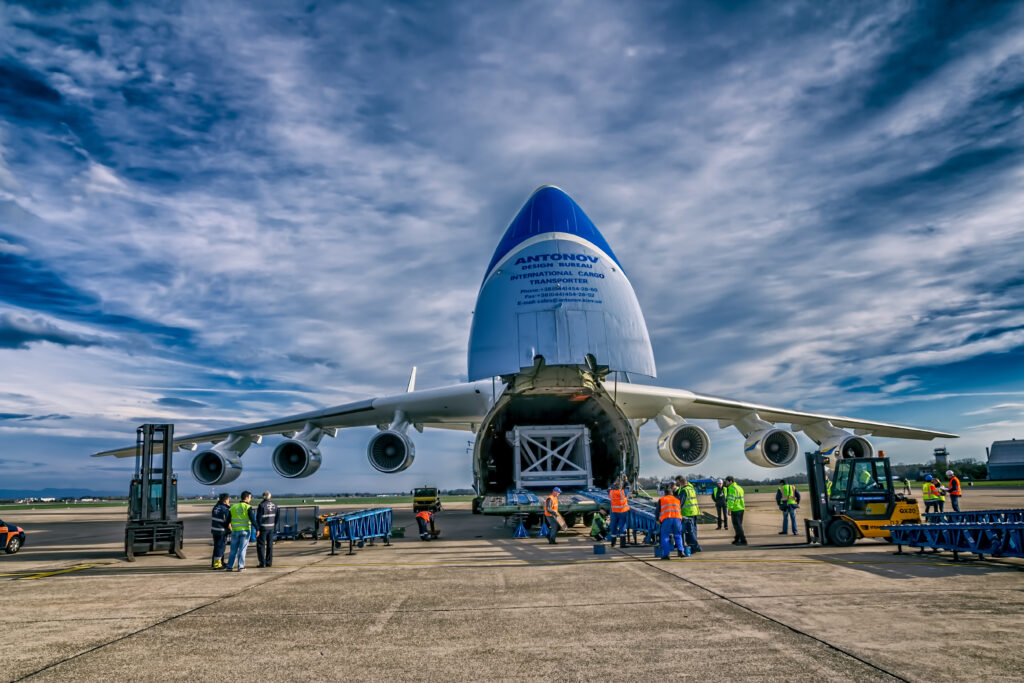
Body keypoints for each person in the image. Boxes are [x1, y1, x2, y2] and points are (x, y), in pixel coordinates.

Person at [225, 490, 257, 571]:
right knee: (242, 549)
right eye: (250, 497)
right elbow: (253, 520)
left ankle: (229, 567)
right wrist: (258, 529)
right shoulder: (247, 507)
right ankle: (241, 566)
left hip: (235, 531)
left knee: (233, 550)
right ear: (246, 498)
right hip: (245, 531)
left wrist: (229, 529)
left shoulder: (233, 507)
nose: (250, 499)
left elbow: (227, 520)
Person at [656, 483, 685, 560]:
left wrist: (657, 519)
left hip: (667, 519)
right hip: (677, 519)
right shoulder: (677, 500)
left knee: (665, 536)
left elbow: (657, 511)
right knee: (678, 535)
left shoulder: (662, 500)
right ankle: (681, 551)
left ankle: (666, 554)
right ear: (672, 494)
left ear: (665, 494)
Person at [256, 491, 279, 567]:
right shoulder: (275, 505)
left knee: (261, 546)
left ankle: (262, 563)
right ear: (270, 497)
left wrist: (257, 528)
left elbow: (258, 518)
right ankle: (269, 563)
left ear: (263, 497)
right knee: (270, 546)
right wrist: (274, 525)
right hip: (271, 528)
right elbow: (277, 517)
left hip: (263, 528)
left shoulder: (261, 505)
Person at [679, 476, 702, 553]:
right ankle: (696, 546)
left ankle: (695, 547)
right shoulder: (691, 489)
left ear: (681, 483)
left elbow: (680, 502)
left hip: (688, 513)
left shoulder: (684, 490)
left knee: (689, 531)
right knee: (694, 531)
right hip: (695, 512)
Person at [210, 493, 231, 569]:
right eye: (228, 499)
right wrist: (230, 530)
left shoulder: (216, 507)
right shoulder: (225, 509)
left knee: (217, 547)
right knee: (220, 548)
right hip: (221, 531)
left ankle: (218, 562)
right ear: (225, 500)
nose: (229, 501)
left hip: (214, 530)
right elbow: (227, 522)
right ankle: (217, 565)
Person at [725, 476, 747, 545]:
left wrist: (729, 509)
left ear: (730, 481)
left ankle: (743, 540)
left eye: (727, 481)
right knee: (738, 525)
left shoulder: (732, 488)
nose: (726, 483)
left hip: (735, 509)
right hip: (741, 508)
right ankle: (737, 539)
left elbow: (731, 500)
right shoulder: (739, 487)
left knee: (737, 526)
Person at [608, 479, 630, 547]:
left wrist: (613, 484)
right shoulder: (623, 492)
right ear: (620, 487)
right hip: (622, 512)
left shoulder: (611, 493)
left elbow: (608, 489)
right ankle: (622, 544)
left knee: (613, 526)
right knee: (622, 527)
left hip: (614, 512)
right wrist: (626, 481)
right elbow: (628, 487)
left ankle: (613, 543)